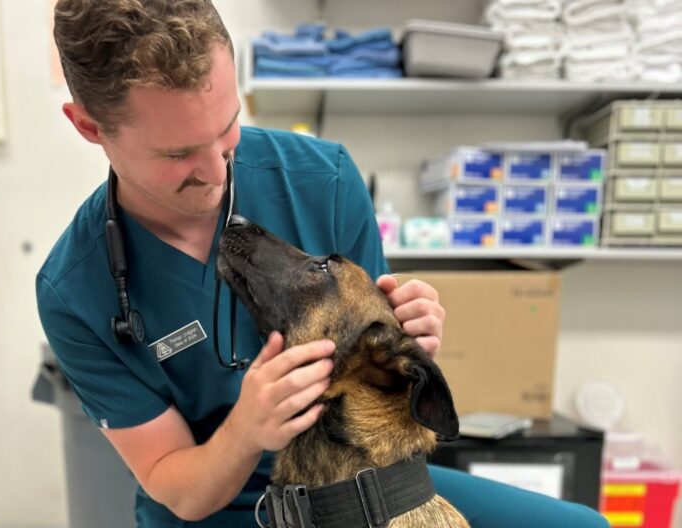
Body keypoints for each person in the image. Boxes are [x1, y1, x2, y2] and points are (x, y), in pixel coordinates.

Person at [37, 1, 609, 527]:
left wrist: (404, 338)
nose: (216, 172)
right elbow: (180, 490)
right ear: (90, 127)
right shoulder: (75, 290)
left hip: (355, 482)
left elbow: (371, 379)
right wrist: (245, 430)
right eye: (178, 153)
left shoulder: (323, 179)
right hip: (217, 506)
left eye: (227, 128)